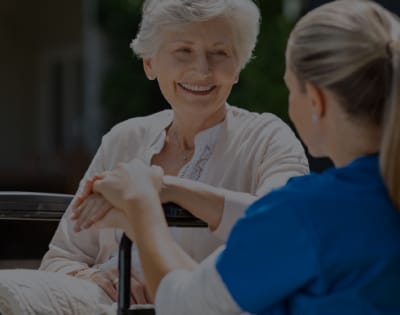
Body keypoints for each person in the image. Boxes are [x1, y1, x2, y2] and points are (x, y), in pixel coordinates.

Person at [72, 0, 400, 314]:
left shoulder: (306, 212)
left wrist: (142, 203)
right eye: (184, 50)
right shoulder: (371, 200)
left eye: (289, 87)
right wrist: (168, 188)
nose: (201, 67)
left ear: (314, 100)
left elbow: (182, 306)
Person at [39, 0, 309, 305]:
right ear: (150, 64)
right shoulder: (123, 139)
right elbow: (61, 258)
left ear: (238, 66)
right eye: (184, 50)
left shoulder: (268, 139)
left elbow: (284, 228)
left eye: (219, 53)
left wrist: (164, 188)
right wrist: (93, 278)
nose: (202, 69)